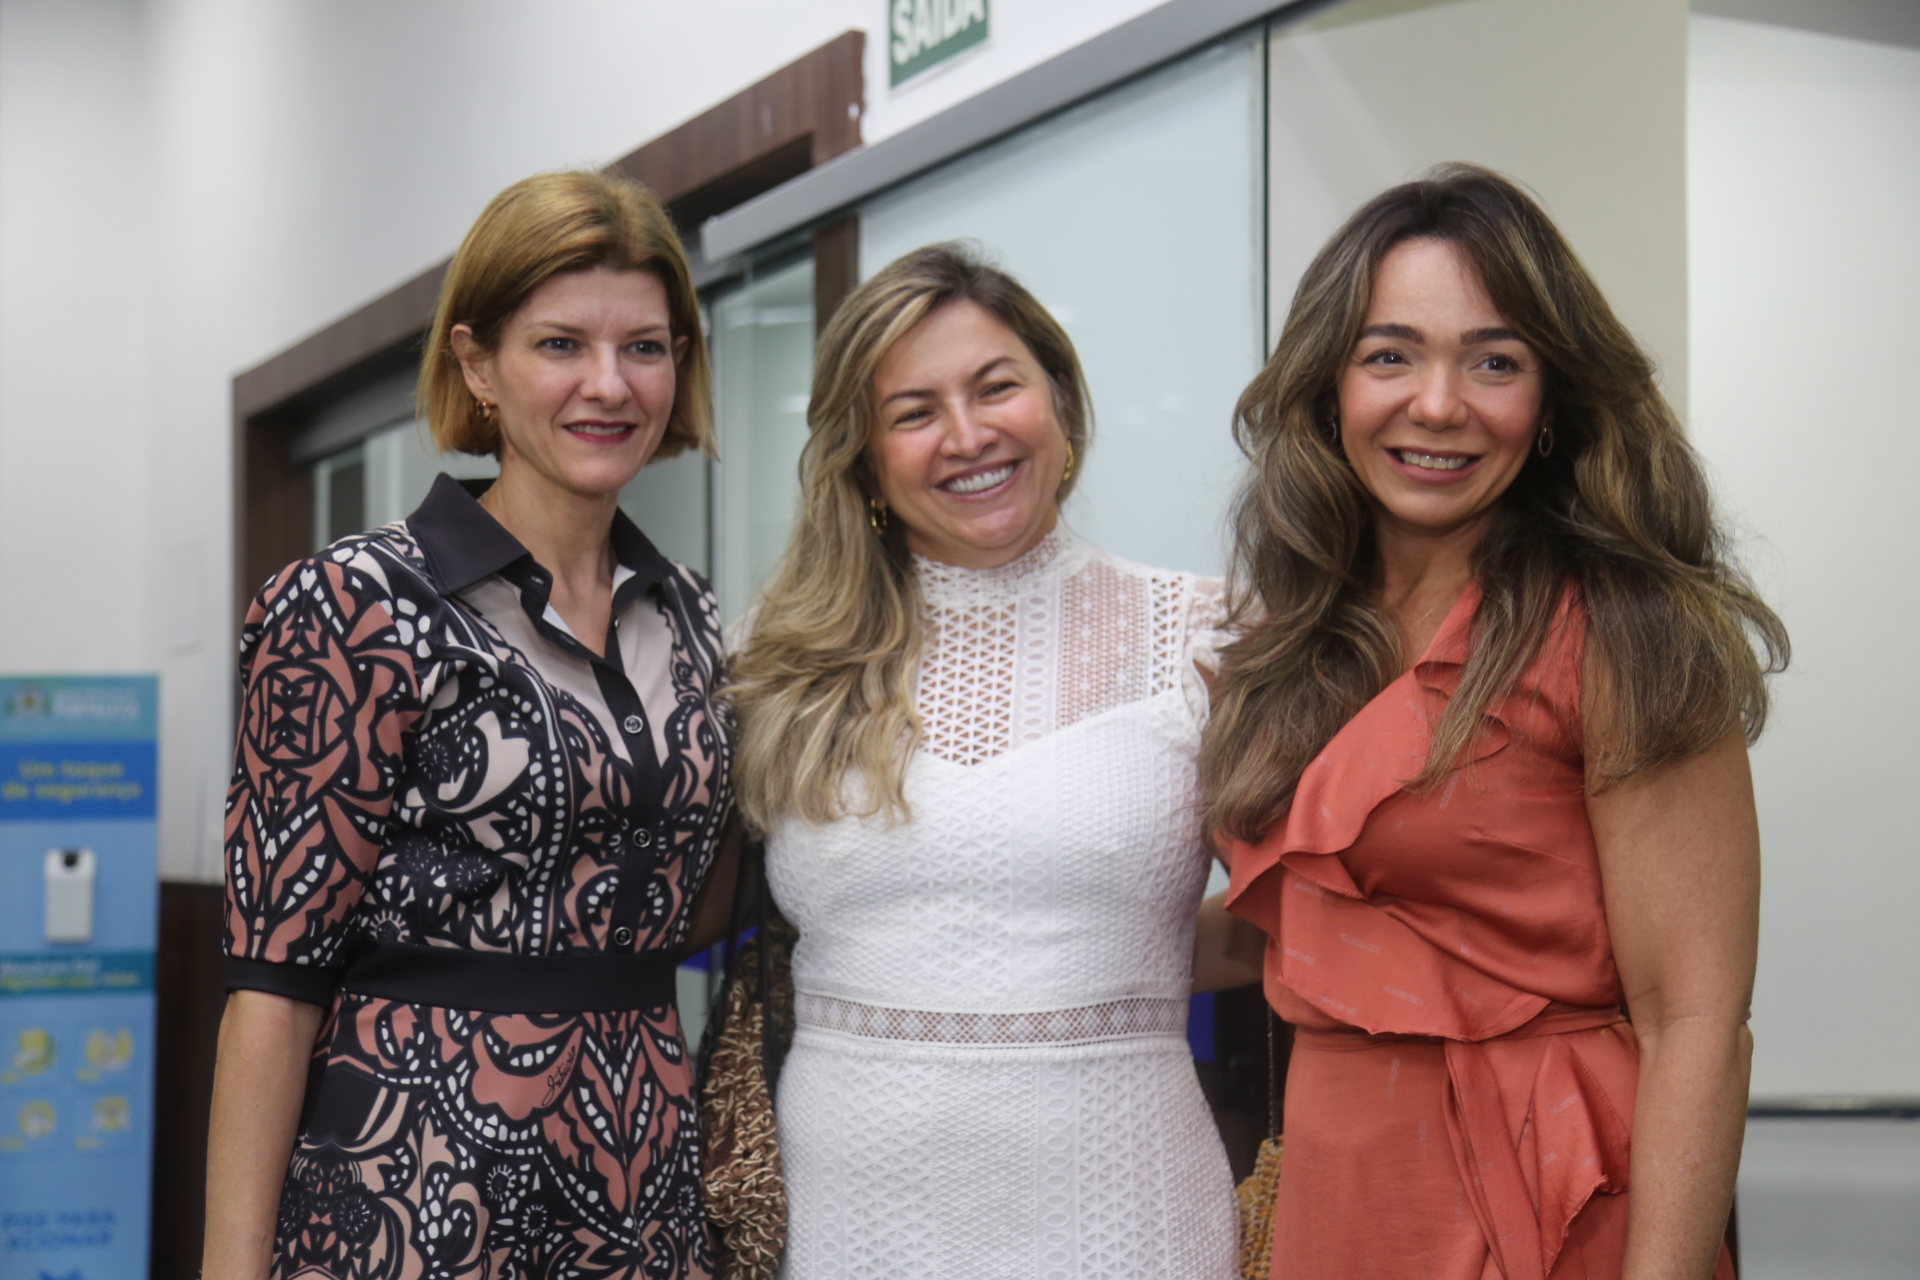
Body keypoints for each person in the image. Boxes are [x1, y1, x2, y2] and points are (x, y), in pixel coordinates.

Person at [1204, 163, 1787, 1280]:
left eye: (1494, 361)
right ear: (1328, 387)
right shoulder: (1297, 638)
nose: (1438, 404)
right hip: (1341, 1199)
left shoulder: (1623, 630)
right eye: (1390, 355)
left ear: (1552, 400)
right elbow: (1303, 929)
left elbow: (1696, 1022)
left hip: (1548, 1208)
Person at [203, 170, 735, 1280]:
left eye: (644, 346)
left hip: (642, 1192)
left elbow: (701, 895)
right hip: (412, 1188)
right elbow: (274, 985)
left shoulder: (694, 616)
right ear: (477, 364)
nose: (609, 384)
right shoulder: (355, 603)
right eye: (560, 344)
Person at [724, 243, 1242, 1278]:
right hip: (854, 1225)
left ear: (1061, 401)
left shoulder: (1207, 635)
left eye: (996, 386)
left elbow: (1302, 920)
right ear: (864, 457)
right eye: (914, 412)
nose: (967, 436)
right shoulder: (775, 663)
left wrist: (1119, 960)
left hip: (1127, 1209)